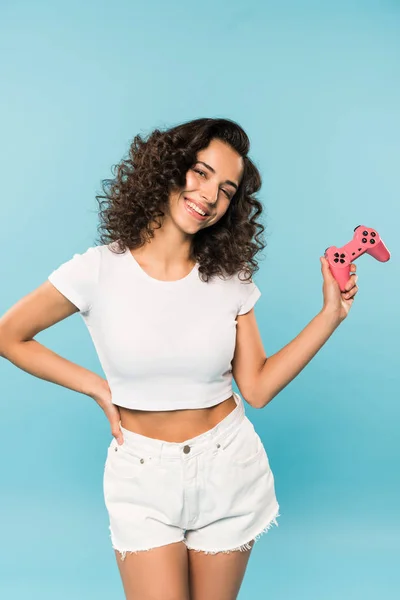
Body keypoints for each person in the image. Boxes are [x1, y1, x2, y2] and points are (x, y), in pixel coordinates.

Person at [0, 117, 358, 600]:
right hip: (141, 476)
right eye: (201, 172)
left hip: (227, 464)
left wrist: (330, 315)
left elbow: (256, 387)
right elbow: (10, 335)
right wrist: (95, 386)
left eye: (227, 189)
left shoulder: (230, 277)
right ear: (168, 168)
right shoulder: (97, 270)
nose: (210, 196)